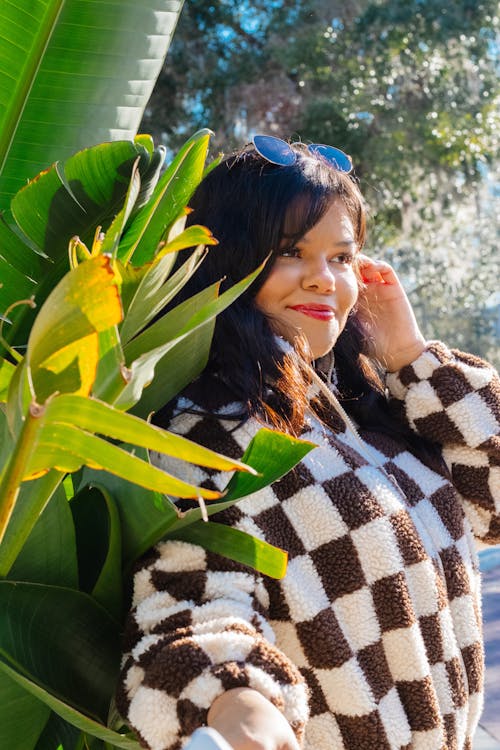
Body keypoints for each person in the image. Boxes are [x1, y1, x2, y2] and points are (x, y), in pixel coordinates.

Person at [116, 136, 500, 750]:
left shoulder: (373, 408)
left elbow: (492, 503)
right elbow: (191, 596)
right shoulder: (211, 427)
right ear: (231, 259)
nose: (324, 279)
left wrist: (411, 357)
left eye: (343, 258)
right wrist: (239, 705)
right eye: (292, 251)